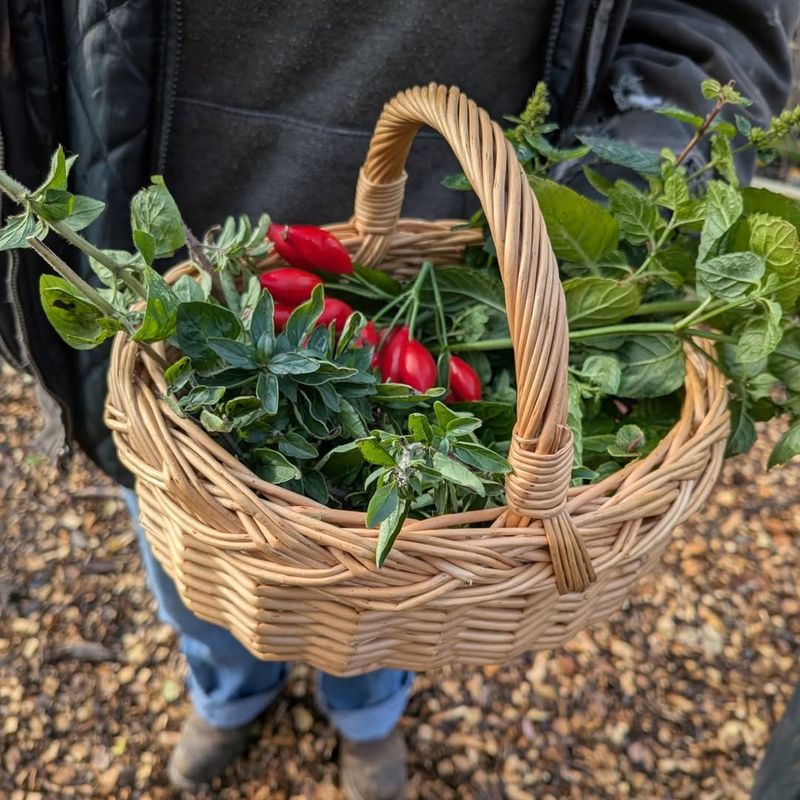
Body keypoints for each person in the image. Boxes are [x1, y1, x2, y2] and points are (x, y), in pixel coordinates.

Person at [1, 3, 798, 798]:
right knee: (203, 556)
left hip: (467, 237)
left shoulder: (445, 316)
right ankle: (228, 694)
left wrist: (601, 212)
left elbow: (717, 23)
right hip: (188, 263)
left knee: (398, 589)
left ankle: (368, 718)